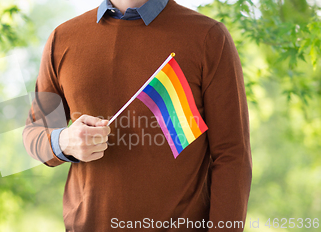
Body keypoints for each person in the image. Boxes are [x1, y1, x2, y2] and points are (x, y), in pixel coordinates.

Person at [23, 0, 252, 231]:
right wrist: (65, 141)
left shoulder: (209, 37)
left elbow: (232, 155)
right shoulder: (62, 38)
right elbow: (33, 136)